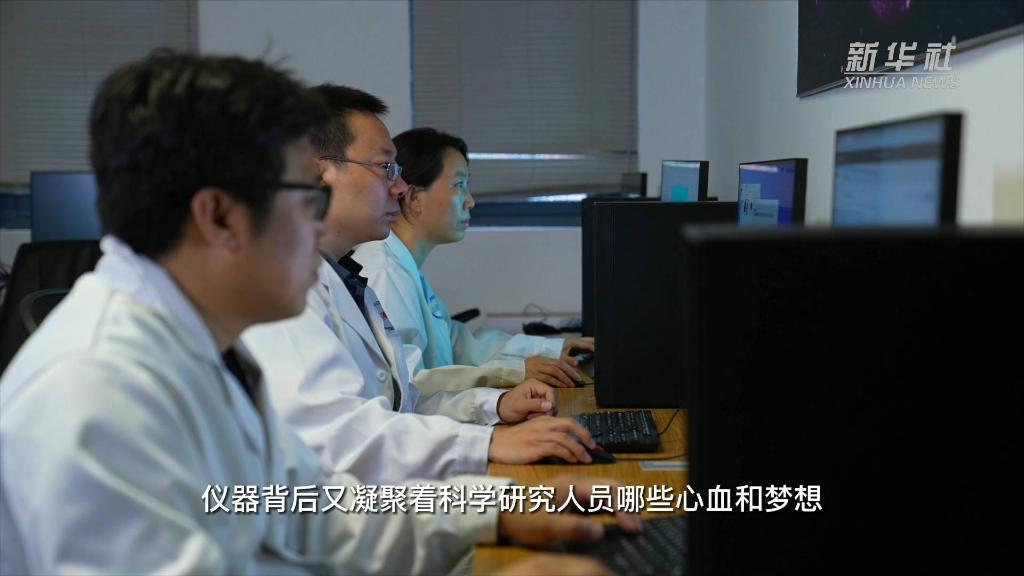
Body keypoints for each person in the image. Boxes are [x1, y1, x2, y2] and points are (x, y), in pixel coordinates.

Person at [0, 52, 636, 575]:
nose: (319, 218)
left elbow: (311, 514)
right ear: (218, 215)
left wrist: (493, 511)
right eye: (305, 194)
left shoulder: (205, 345)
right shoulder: (96, 394)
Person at [243, 86, 603, 487]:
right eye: (385, 168)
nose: (399, 187)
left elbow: (403, 403)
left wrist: (495, 406)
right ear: (316, 174)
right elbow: (339, 440)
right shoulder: (281, 296)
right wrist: (486, 448)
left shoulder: (346, 279)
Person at [354, 127, 594, 391]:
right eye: (459, 185)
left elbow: (456, 343)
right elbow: (409, 384)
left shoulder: (403, 265)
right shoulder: (384, 272)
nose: (470, 201)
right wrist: (512, 373)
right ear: (414, 198)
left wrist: (551, 349)